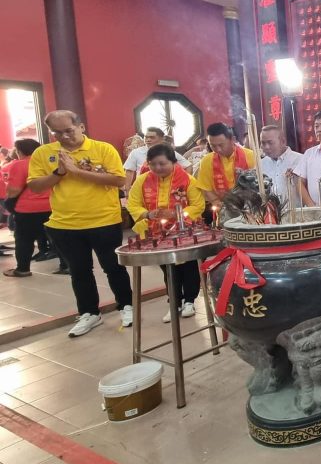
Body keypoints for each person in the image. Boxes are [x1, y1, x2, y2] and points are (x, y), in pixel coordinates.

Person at [27, 110, 134, 337]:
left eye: (69, 130)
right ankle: (89, 313)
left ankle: (127, 305)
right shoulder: (44, 153)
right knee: (79, 271)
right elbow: (36, 187)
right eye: (57, 133)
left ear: (81, 127)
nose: (64, 137)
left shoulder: (102, 149)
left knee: (113, 267)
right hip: (65, 224)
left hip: (104, 220)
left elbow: (118, 180)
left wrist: (76, 171)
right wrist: (60, 172)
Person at [126, 144, 205, 323]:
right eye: (153, 164)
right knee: (168, 268)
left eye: (162, 164)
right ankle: (174, 301)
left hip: (184, 231)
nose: (157, 168)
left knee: (189, 267)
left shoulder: (187, 180)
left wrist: (178, 215)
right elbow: (133, 203)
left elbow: (197, 205)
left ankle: (189, 301)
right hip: (156, 233)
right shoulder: (142, 180)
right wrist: (147, 214)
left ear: (174, 162)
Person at [3, 139, 64, 277]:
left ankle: (23, 269)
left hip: (29, 208)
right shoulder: (49, 161)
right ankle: (66, 266)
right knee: (59, 238)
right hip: (54, 204)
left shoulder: (20, 165)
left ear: (20, 151)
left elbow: (13, 190)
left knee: (24, 239)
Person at [195, 123, 256, 210]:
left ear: (233, 140)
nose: (217, 149)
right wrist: (216, 202)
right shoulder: (207, 161)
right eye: (213, 146)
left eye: (221, 145)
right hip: (223, 208)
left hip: (250, 207)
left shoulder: (250, 156)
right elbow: (206, 188)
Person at [123, 127, 190, 192]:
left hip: (166, 189)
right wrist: (127, 190)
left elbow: (188, 166)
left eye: (152, 137)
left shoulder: (169, 152)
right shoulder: (136, 152)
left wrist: (182, 184)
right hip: (143, 189)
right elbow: (129, 171)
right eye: (146, 137)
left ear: (161, 139)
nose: (148, 140)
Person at [259, 124, 303, 203]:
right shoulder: (260, 165)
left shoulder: (300, 160)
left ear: (283, 141)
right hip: (270, 213)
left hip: (296, 213)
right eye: (263, 143)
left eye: (270, 142)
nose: (266, 147)